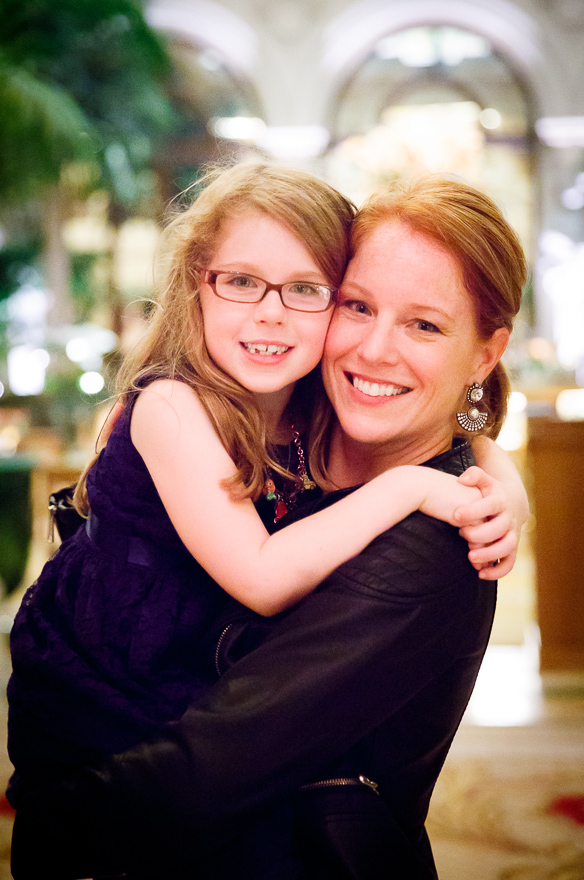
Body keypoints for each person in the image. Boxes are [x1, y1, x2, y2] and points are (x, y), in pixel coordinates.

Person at [8, 174, 528, 880]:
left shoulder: (429, 543)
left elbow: (211, 770)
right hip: (103, 703)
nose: (373, 349)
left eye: (425, 324)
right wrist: (461, 473)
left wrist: (502, 484)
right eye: (358, 306)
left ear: (485, 353)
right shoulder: (262, 401)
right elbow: (263, 571)